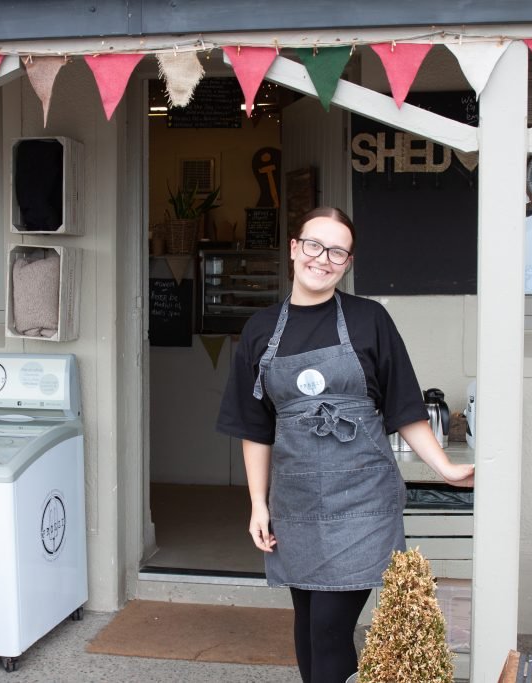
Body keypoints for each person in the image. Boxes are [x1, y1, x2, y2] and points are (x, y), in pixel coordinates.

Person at [217, 206, 475, 683]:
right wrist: (258, 504)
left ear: (348, 262)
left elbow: (403, 407)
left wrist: (446, 468)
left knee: (329, 627)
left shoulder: (369, 319)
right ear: (294, 248)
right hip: (295, 502)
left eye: (337, 251)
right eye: (314, 245)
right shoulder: (260, 329)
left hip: (362, 502)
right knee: (307, 621)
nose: (323, 258)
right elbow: (255, 428)